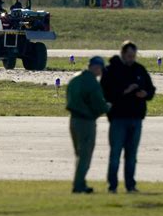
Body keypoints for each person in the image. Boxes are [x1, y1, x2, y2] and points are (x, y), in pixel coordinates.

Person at [101, 41, 156, 194]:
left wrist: (146, 94)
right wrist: (125, 91)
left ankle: (130, 186)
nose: (131, 58)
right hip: (118, 118)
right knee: (115, 155)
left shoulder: (139, 69)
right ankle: (112, 186)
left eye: (134, 56)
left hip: (136, 119)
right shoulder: (111, 70)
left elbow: (151, 89)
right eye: (129, 55)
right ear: (123, 54)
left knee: (131, 156)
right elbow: (105, 93)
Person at [66, 56, 111, 194]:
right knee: (85, 155)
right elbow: (98, 104)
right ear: (96, 67)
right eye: (100, 69)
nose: (100, 72)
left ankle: (80, 182)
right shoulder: (92, 83)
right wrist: (108, 107)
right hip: (86, 122)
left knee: (79, 154)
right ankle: (79, 185)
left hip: (73, 120)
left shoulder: (75, 78)